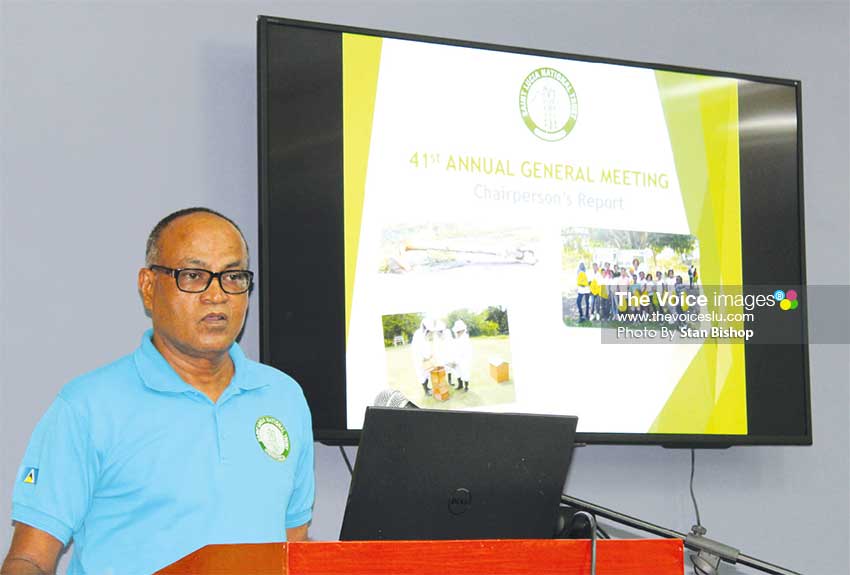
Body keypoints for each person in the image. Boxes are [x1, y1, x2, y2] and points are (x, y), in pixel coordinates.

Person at [2, 208, 315, 575]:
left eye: (232, 277)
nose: (217, 295)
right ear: (148, 287)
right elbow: (29, 559)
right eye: (194, 276)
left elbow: (294, 546)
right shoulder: (87, 406)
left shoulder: (283, 396)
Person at [411, 317, 438, 395]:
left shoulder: (424, 335)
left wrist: (430, 354)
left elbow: (426, 346)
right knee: (422, 374)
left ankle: (427, 388)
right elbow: (420, 348)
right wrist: (427, 356)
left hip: (425, 358)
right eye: (428, 330)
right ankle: (426, 391)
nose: (429, 332)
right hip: (419, 358)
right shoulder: (418, 334)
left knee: (427, 373)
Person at [449, 320, 472, 392]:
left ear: (463, 330)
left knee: (465, 372)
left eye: (460, 331)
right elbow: (454, 349)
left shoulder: (465, 338)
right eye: (457, 331)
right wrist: (453, 359)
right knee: (457, 372)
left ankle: (466, 386)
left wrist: (457, 359)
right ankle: (460, 385)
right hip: (456, 359)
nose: (458, 332)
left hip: (463, 359)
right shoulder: (457, 338)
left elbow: (464, 351)